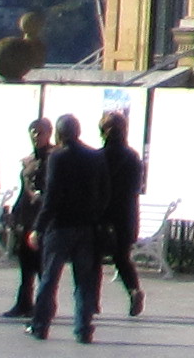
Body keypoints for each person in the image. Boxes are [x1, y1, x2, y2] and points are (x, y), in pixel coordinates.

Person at [27, 114, 107, 344]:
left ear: (59, 134)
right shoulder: (95, 156)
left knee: (50, 277)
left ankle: (40, 325)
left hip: (60, 225)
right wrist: (95, 215)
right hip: (86, 226)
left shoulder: (57, 157)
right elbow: (105, 191)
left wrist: (38, 228)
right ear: (78, 131)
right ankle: (83, 328)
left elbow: (51, 196)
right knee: (84, 280)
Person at [93, 113, 144, 319]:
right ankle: (133, 289)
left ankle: (93, 300)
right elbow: (135, 187)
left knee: (93, 258)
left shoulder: (97, 157)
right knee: (122, 257)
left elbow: (94, 187)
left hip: (102, 215)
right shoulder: (133, 157)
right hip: (127, 214)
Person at [2, 119, 50, 324]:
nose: (36, 136)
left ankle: (44, 305)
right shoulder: (29, 160)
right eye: (33, 132)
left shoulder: (53, 158)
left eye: (40, 132)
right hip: (26, 217)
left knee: (41, 265)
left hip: (43, 218)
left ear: (49, 133)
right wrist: (15, 212)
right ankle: (24, 303)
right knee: (26, 264)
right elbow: (24, 189)